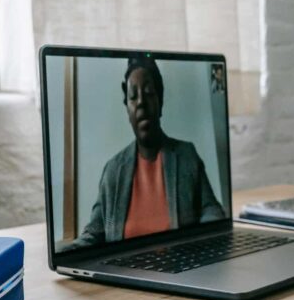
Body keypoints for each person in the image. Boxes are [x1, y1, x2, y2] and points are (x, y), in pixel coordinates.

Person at [72, 56, 226, 248]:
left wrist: (197, 246)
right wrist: (65, 253)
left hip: (179, 269)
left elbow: (212, 211)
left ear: (160, 101)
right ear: (127, 109)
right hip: (123, 273)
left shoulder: (186, 156)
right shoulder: (113, 170)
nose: (141, 103)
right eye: (133, 96)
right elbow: (94, 232)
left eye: (149, 93)